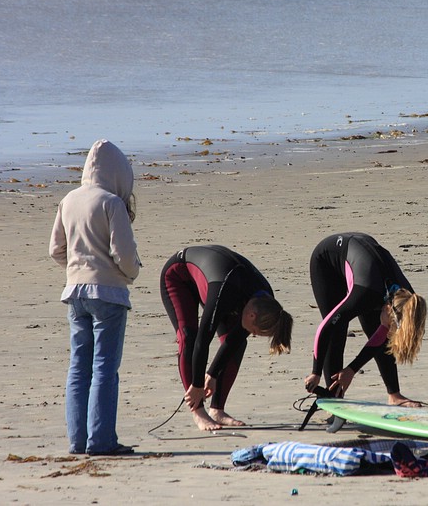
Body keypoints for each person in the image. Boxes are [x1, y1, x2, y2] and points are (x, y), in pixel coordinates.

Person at [49, 139, 141, 456]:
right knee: (104, 369)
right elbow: (124, 254)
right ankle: (101, 441)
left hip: (75, 292)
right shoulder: (111, 203)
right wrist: (130, 274)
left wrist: (77, 269)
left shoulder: (68, 200)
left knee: (78, 368)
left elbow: (56, 250)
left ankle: (78, 440)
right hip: (109, 293)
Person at [159, 245, 293, 431]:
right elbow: (203, 340)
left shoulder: (266, 301)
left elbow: (234, 340)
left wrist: (212, 374)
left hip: (223, 285)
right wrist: (197, 385)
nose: (253, 334)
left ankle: (217, 410)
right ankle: (198, 411)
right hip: (180, 276)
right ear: (252, 315)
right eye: (256, 331)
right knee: (189, 338)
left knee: (238, 344)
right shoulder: (224, 292)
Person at [305, 232, 427, 407]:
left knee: (376, 328)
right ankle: (333, 401)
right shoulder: (364, 295)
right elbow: (325, 328)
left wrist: (351, 370)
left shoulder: (410, 300)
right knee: (337, 329)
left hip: (367, 269)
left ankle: (394, 395)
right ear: (388, 307)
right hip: (328, 263)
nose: (388, 330)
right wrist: (315, 372)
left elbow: (380, 336)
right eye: (391, 325)